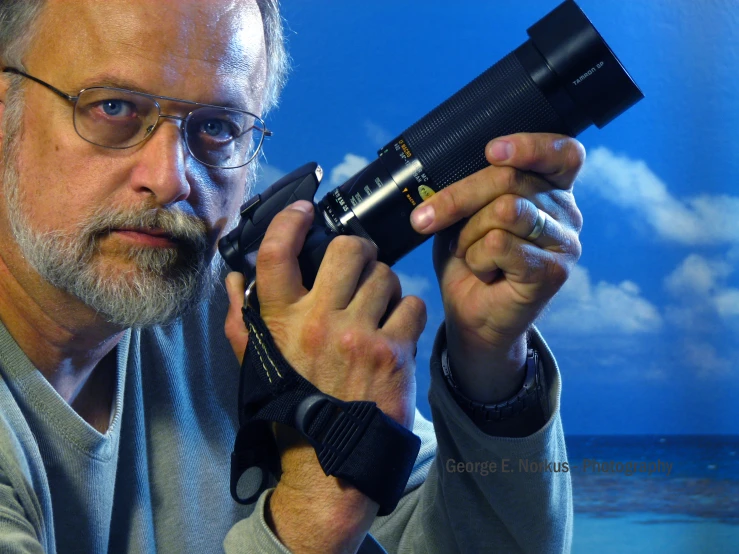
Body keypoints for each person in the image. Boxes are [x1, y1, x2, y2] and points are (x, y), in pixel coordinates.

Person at [0, 0, 584, 552]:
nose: (171, 178)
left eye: (218, 127)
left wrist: (490, 366)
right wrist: (327, 488)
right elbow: (336, 497)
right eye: (113, 108)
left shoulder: (246, 316)